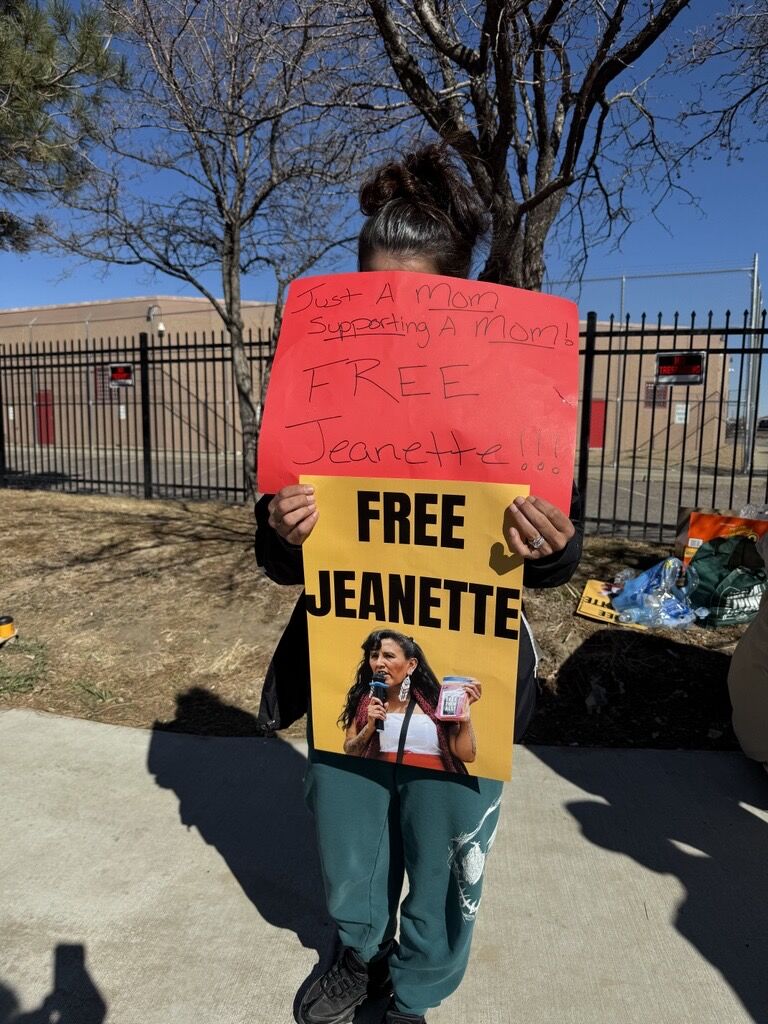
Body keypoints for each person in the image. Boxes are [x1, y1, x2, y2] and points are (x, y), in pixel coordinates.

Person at [255, 144, 583, 1024]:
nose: (388, 318)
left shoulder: (518, 396)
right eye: (372, 293)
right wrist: (283, 530)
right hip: (346, 652)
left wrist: (550, 546)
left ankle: (419, 986)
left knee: (443, 838)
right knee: (349, 823)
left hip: (467, 648)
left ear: (458, 295)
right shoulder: (321, 379)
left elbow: (552, 552)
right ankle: (356, 953)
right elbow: (280, 556)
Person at [341, 629, 481, 773]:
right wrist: (369, 727)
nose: (379, 663)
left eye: (388, 656)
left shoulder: (435, 700)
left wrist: (464, 715)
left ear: (411, 665)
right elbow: (350, 752)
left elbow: (467, 755)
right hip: (384, 781)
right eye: (374, 656)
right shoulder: (364, 703)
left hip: (433, 784)